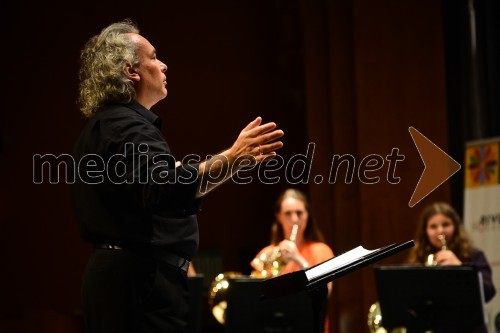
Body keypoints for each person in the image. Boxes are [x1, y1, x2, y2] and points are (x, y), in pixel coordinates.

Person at [72, 19, 283, 333]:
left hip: (130, 280)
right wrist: (233, 157)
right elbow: (165, 188)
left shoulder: (113, 126)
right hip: (140, 286)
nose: (163, 64)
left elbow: (152, 188)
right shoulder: (127, 127)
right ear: (132, 71)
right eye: (154, 57)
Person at [250, 188, 334, 332]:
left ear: (307, 215)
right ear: (278, 216)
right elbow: (258, 297)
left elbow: (327, 291)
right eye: (288, 213)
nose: (294, 219)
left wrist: (298, 258)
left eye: (299, 213)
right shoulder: (266, 254)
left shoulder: (322, 250)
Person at [406, 202, 496, 332]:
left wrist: (460, 266)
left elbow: (489, 292)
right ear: (425, 231)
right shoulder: (418, 260)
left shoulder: (474, 255)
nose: (440, 231)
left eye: (446, 225)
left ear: (456, 227)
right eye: (433, 226)